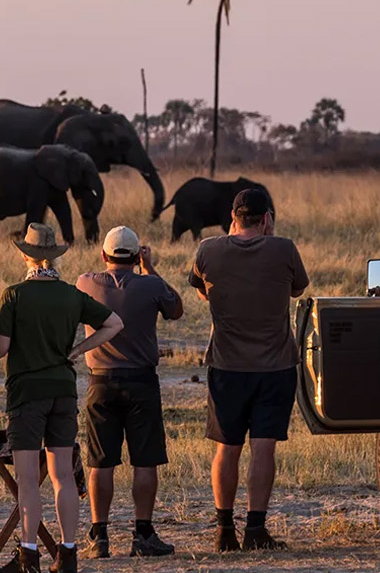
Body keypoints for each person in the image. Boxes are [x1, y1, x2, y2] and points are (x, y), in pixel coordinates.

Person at [0, 222, 124, 573]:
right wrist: (79, 349)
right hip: (63, 390)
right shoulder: (71, 295)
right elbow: (114, 325)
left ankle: (28, 554)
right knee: (63, 474)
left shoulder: (14, 295)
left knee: (27, 478)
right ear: (53, 257)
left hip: (26, 393)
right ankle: (67, 553)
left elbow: (0, 347)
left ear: (26, 256)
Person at [186, 188, 309, 552]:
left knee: (226, 448)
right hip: (275, 366)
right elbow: (298, 290)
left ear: (233, 215)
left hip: (227, 366)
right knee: (264, 448)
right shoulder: (283, 248)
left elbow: (200, 289)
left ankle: (225, 529)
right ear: (266, 218)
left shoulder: (209, 249)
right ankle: (256, 528)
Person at [73, 226, 183, 559]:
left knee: (100, 462)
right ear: (137, 256)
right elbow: (176, 309)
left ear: (104, 256)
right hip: (141, 382)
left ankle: (99, 535)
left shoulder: (85, 282)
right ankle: (143, 533)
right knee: (145, 461)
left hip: (101, 381)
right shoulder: (150, 285)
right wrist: (150, 268)